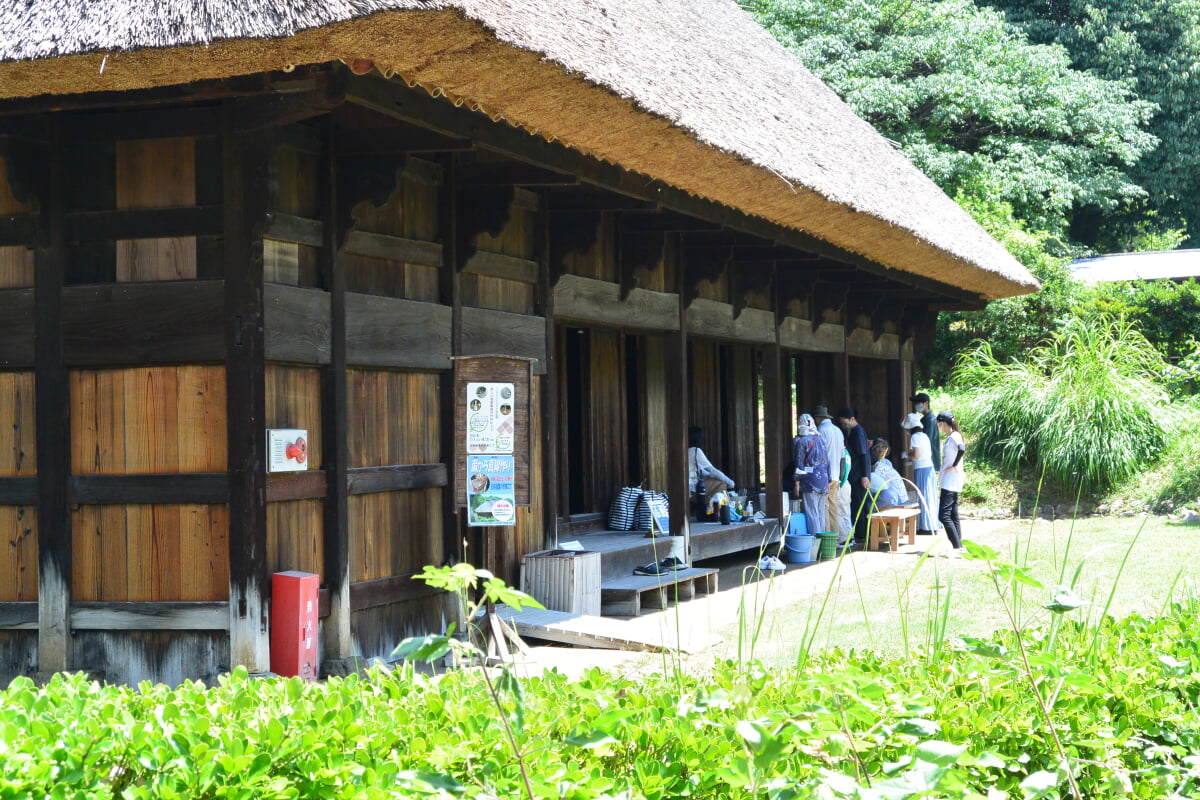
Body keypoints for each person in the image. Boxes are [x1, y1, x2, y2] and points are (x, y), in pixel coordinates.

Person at [837, 407, 872, 547]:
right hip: (856, 473)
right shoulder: (853, 432)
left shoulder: (857, 432)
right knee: (858, 504)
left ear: (852, 419)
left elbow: (863, 455)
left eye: (844, 422)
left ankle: (861, 534)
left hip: (859, 475)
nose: (842, 425)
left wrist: (865, 475)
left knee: (859, 505)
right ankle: (861, 533)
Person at [791, 413, 830, 535]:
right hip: (823, 481)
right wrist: (828, 480)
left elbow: (799, 466)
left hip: (809, 482)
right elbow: (828, 463)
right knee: (820, 513)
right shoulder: (821, 440)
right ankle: (822, 543)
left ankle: (815, 543)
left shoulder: (802, 441)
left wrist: (796, 485)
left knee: (812, 513)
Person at [901, 411, 938, 534]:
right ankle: (931, 524)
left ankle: (925, 527)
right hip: (929, 468)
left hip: (921, 469)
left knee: (923, 496)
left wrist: (907, 454)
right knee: (930, 495)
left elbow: (917, 455)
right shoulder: (924, 436)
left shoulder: (915, 437)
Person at [813, 405, 847, 539]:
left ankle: (827, 538)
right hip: (836, 474)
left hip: (825, 475)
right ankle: (836, 537)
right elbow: (842, 453)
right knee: (834, 507)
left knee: (824, 508)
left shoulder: (821, 430)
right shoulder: (838, 430)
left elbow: (820, 455)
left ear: (817, 418)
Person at [688, 426, 734, 517]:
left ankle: (707, 509)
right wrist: (730, 482)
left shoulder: (687, 450)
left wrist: (711, 475)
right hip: (692, 488)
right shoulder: (696, 451)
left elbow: (704, 472)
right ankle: (716, 512)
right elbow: (712, 470)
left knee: (716, 482)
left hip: (688, 488)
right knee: (722, 484)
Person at [937, 411, 966, 551]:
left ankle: (957, 545)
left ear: (943, 423)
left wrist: (954, 465)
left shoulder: (955, 436)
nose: (939, 427)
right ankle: (959, 545)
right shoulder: (950, 437)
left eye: (940, 424)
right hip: (949, 480)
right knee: (953, 513)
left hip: (951, 480)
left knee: (944, 515)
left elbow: (962, 449)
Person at [868, 438, 908, 510]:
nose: (881, 449)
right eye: (878, 447)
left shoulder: (887, 463)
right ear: (873, 450)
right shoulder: (872, 462)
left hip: (892, 495)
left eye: (883, 447)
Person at [910, 392, 941, 472]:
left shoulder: (930, 420)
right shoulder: (925, 419)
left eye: (918, 403)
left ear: (926, 403)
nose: (916, 405)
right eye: (915, 403)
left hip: (927, 462)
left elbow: (927, 441)